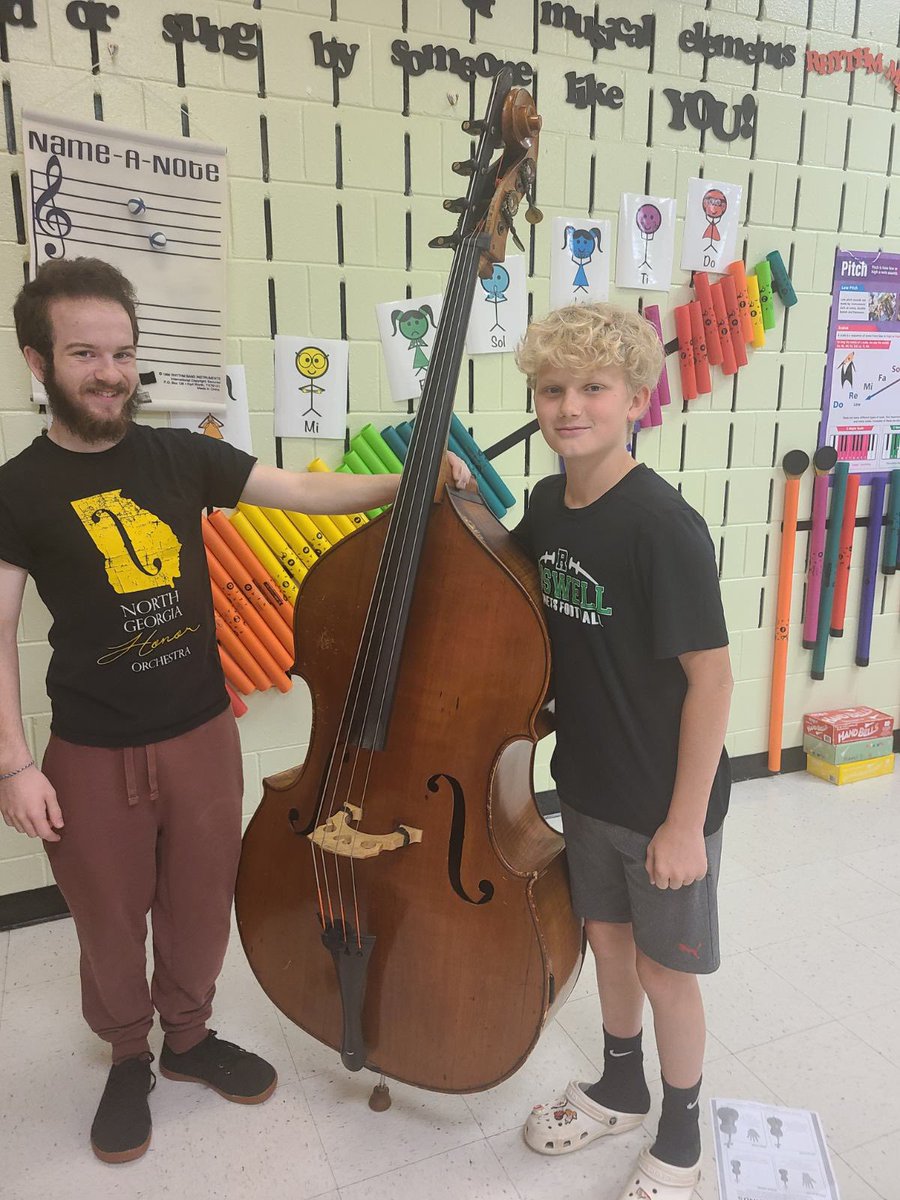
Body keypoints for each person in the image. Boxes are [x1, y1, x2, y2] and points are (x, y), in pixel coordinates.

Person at [0, 257, 470, 1164]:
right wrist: (14, 764)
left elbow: (302, 491)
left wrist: (406, 481)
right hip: (90, 749)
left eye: (122, 353)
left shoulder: (179, 457)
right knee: (107, 918)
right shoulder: (16, 489)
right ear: (38, 361)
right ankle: (128, 1055)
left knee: (200, 901)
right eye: (85, 353)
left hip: (201, 734)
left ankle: (187, 1038)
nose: (109, 372)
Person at [512, 303, 733, 1200]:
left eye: (594, 388)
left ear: (637, 399)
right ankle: (620, 1085)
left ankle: (681, 1131)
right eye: (552, 389)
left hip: (663, 800)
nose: (570, 407)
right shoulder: (545, 505)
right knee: (606, 943)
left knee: (663, 969)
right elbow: (501, 591)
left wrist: (684, 825)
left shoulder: (661, 527)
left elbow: (712, 682)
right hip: (587, 784)